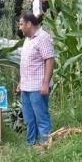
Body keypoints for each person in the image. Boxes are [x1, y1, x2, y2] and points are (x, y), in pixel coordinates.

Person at [17, 11, 55, 149]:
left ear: (29, 24)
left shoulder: (43, 38)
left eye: (21, 24)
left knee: (41, 118)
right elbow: (27, 63)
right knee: (29, 120)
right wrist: (21, 82)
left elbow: (49, 60)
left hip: (38, 87)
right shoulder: (28, 40)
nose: (20, 27)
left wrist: (45, 83)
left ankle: (46, 146)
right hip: (26, 87)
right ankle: (31, 144)